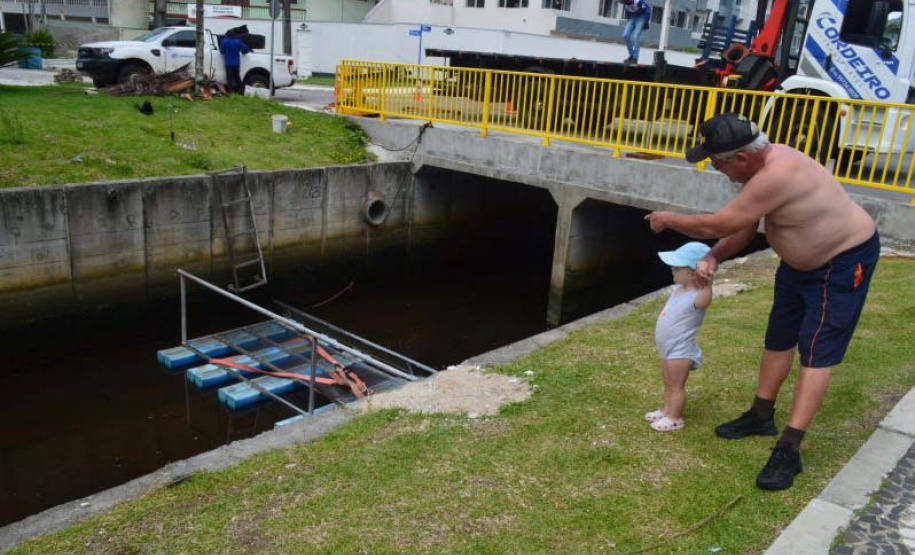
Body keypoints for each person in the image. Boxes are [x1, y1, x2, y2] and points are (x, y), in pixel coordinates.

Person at [644, 112, 879, 490]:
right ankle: (761, 414)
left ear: (741, 157)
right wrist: (716, 256)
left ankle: (790, 447)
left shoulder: (777, 173)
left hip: (841, 262)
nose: (716, 169)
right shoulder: (757, 171)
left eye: (717, 163)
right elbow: (741, 228)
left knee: (817, 349)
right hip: (798, 264)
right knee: (778, 337)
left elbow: (717, 224)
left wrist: (668, 218)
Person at [646, 241, 714, 432]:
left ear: (693, 273)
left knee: (676, 385)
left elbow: (705, 300)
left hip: (681, 349)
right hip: (668, 347)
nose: (672, 271)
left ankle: (675, 418)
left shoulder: (698, 296)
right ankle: (667, 410)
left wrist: (707, 283)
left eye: (677, 268)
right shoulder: (679, 289)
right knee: (668, 381)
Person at [621, 0, 651, 65]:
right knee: (626, 35)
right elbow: (628, 13)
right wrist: (629, 22)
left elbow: (648, 10)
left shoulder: (638, 2)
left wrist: (646, 22)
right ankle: (631, 55)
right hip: (632, 18)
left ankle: (635, 58)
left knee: (636, 36)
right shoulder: (625, 4)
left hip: (642, 17)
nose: (625, 4)